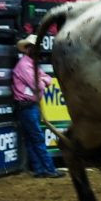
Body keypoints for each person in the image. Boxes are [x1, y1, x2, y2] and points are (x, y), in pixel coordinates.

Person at [12, 34, 64, 179]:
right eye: (33, 48)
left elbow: (48, 79)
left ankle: (39, 169)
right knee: (37, 137)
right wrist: (42, 81)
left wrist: (42, 80)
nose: (36, 51)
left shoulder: (31, 64)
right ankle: (49, 169)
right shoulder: (24, 66)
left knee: (32, 138)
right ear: (28, 49)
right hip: (27, 107)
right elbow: (38, 85)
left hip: (29, 106)